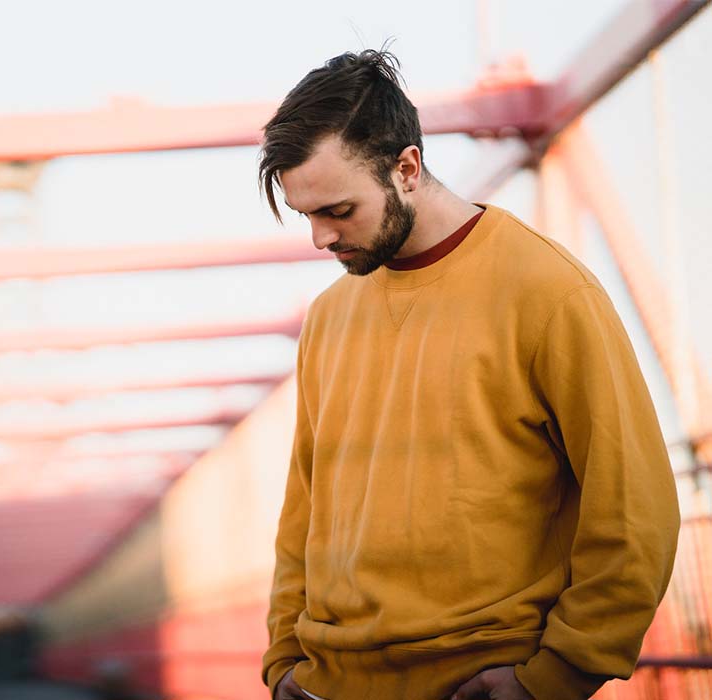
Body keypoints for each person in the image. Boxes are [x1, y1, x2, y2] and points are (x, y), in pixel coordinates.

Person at [257, 49, 680, 700]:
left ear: (406, 167)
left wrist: (552, 678)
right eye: (306, 214)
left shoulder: (546, 292)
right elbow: (304, 510)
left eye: (337, 211)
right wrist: (283, 655)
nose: (319, 238)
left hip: (476, 685)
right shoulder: (329, 316)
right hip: (327, 684)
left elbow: (634, 510)